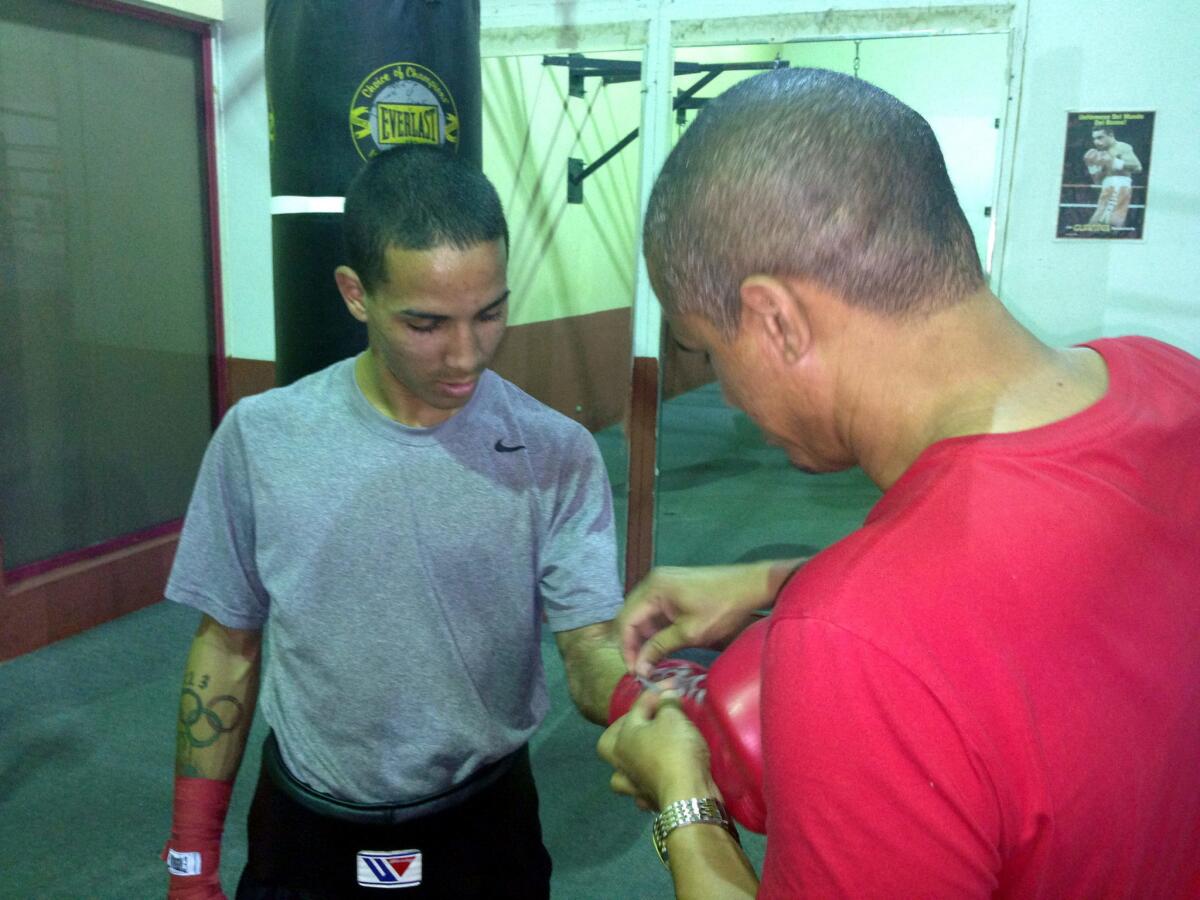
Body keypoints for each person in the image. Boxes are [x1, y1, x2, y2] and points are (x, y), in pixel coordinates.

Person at [598, 68, 1200, 898]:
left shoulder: (857, 645)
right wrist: (782, 581)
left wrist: (684, 801)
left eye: (706, 350)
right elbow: (1059, 603)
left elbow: (924, 632)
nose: (728, 395)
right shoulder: (1172, 382)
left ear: (777, 319)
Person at [162, 145, 628, 899]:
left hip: (485, 826)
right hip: (306, 829)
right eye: (425, 323)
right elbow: (227, 647)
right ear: (355, 294)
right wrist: (191, 858)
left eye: (490, 312)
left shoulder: (555, 451)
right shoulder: (262, 438)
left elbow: (591, 649)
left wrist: (645, 698)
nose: (467, 354)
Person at [1083, 125, 1143, 229]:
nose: (1096, 142)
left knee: (1106, 225)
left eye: (1100, 137)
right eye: (1094, 138)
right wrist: (1092, 167)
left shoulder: (1121, 147)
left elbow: (1137, 167)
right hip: (1107, 188)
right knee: (1098, 225)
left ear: (1110, 135)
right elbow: (1098, 182)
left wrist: (1113, 162)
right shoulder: (1100, 153)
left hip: (1119, 186)